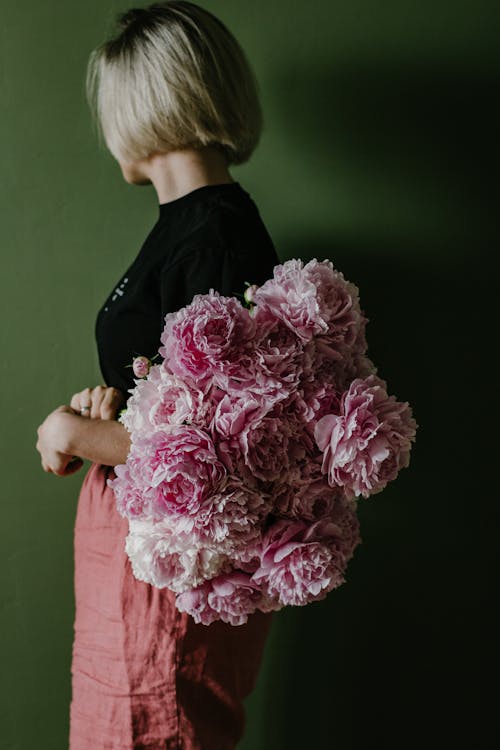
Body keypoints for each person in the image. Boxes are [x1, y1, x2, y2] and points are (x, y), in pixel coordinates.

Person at [35, 3, 280, 747]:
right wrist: (105, 413)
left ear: (148, 101)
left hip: (169, 563)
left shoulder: (217, 243)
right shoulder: (187, 229)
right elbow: (172, 406)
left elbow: (221, 455)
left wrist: (74, 430)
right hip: (136, 547)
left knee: (152, 729)